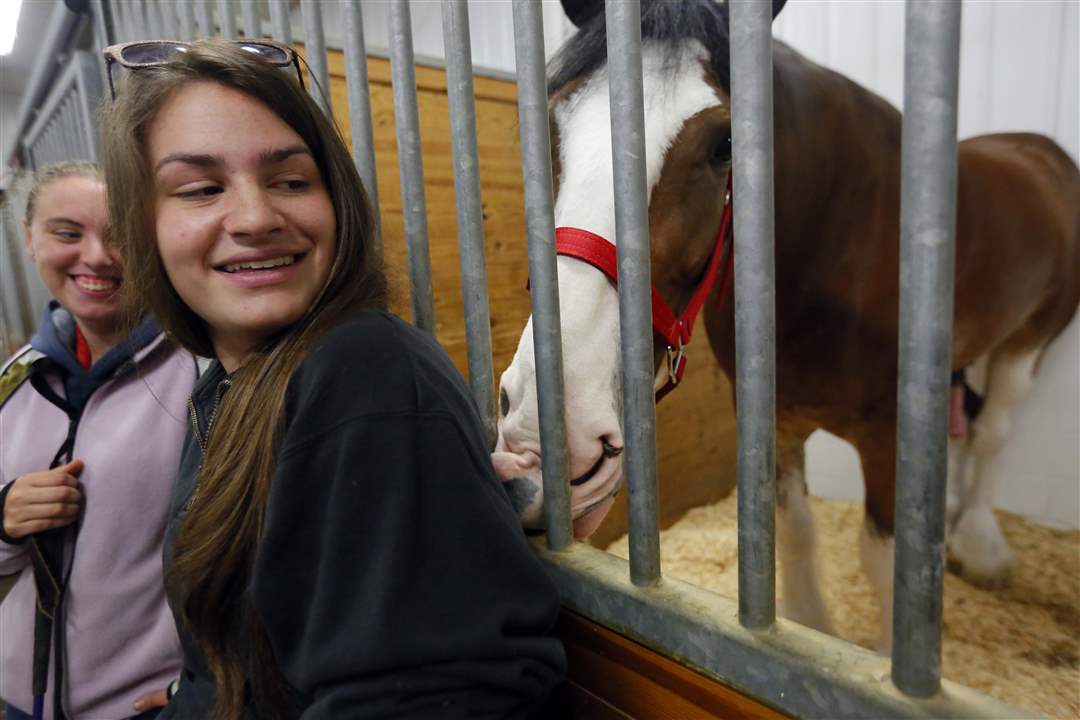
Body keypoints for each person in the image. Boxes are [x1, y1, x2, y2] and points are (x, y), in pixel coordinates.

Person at [101, 39, 566, 719]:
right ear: (145, 225)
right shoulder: (228, 386)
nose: (257, 218)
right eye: (201, 188)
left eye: (291, 180)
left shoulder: (363, 372)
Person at [0, 162, 196, 720]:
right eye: (67, 233)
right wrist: (4, 518)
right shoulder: (14, 380)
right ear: (29, 238)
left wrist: (208, 687)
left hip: (145, 705)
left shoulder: (199, 372)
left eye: (122, 237)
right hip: (21, 702)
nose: (98, 257)